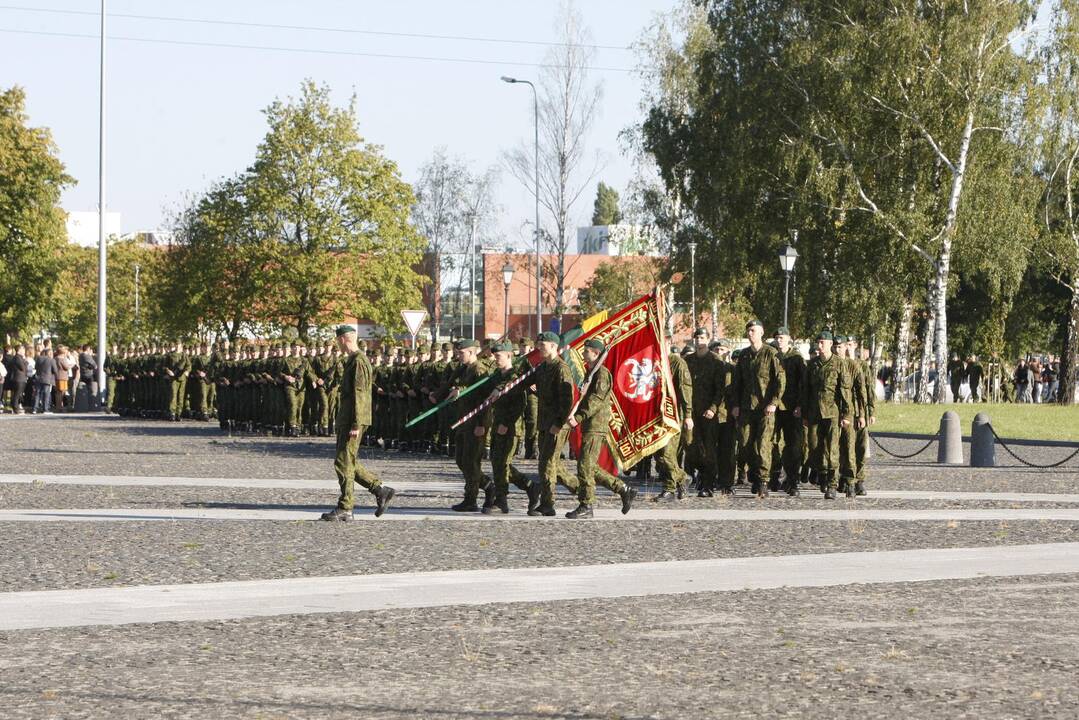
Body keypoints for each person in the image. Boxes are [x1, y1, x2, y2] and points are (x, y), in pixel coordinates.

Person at [322, 325, 396, 521]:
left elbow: (360, 394)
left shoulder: (358, 361)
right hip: (348, 418)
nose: (337, 345)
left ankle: (346, 507)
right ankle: (380, 490)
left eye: (338, 341)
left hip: (353, 419)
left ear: (344, 339)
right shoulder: (352, 360)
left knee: (343, 461)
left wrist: (356, 424)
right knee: (346, 461)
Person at [565, 338, 637, 519]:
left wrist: (579, 417)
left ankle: (586, 505)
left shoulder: (602, 374)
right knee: (590, 466)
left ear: (596, 353)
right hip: (590, 425)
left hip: (596, 425)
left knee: (585, 466)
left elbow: (595, 400)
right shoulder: (592, 372)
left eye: (587, 351)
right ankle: (623, 489)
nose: (583, 353)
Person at [435, 338, 495, 512]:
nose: (458, 356)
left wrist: (482, 424)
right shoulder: (465, 369)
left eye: (461, 353)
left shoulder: (479, 370)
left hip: (475, 422)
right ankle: (488, 485)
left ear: (472, 352)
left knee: (471, 461)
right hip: (463, 421)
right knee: (461, 460)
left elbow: (486, 400)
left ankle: (471, 499)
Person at [730, 320, 785, 498]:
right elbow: (736, 382)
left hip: (765, 409)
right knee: (745, 444)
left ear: (761, 333)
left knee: (763, 445)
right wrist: (736, 405)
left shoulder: (771, 353)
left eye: (753, 330)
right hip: (746, 407)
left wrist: (774, 402)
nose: (750, 333)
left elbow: (780, 381)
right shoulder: (745, 355)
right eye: (748, 330)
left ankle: (763, 481)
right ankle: (754, 474)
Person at [484, 340, 537, 514]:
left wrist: (506, 424)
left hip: (511, 427)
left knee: (502, 463)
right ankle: (530, 486)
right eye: (494, 356)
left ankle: (502, 501)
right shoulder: (497, 376)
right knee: (498, 463)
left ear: (509, 355)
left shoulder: (516, 376)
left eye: (498, 356)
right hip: (498, 423)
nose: (495, 359)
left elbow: (520, 404)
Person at [801, 330, 852, 500]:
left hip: (832, 412)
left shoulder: (839, 364)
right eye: (819, 342)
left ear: (830, 344)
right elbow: (806, 390)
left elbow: (845, 391)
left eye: (823, 342)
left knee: (832, 449)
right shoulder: (812, 364)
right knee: (814, 447)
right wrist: (804, 412)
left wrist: (847, 415)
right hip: (815, 412)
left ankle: (832, 483)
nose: (820, 345)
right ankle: (821, 474)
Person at [683, 328, 724, 496]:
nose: (699, 340)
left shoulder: (715, 361)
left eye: (702, 337)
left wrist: (713, 408)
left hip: (708, 412)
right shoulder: (688, 360)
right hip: (691, 411)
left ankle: (708, 484)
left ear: (708, 339)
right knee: (691, 448)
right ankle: (697, 475)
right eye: (697, 337)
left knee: (709, 450)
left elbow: (720, 388)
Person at [652, 340, 693, 502]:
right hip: (657, 416)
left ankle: (678, 481)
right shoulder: (654, 362)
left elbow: (686, 389)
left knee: (667, 454)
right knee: (659, 454)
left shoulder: (677, 363)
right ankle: (677, 483)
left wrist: (688, 415)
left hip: (674, 416)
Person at [770, 327, 805, 496]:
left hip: (792, 409)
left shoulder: (796, 358)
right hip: (775, 407)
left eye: (782, 337)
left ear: (789, 339)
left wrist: (800, 405)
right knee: (771, 443)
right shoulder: (772, 356)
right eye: (777, 337)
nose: (779, 340)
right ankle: (774, 475)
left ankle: (792, 480)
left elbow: (803, 384)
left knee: (794, 446)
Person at [33, 348, 57, 414]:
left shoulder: (38, 359)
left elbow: (35, 367)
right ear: (49, 353)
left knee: (37, 394)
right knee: (46, 394)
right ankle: (45, 409)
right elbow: (55, 370)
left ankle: (35, 409)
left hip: (38, 378)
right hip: (47, 379)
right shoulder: (51, 360)